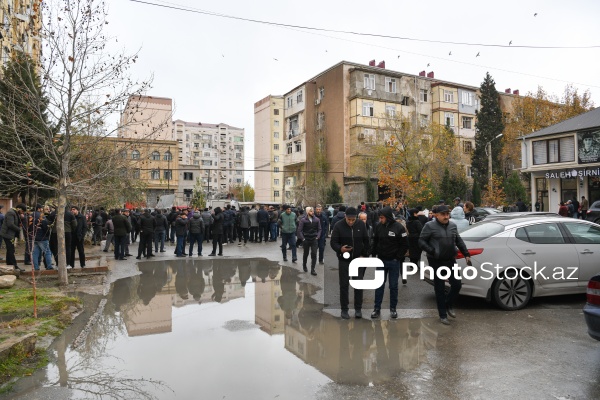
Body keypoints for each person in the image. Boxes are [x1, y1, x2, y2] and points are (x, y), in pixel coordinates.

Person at [418, 205, 471, 325]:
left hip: (450, 259)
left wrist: (466, 254)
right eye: (443, 214)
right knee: (440, 288)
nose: (446, 217)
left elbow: (458, 240)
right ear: (436, 215)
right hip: (436, 261)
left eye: (447, 214)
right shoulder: (429, 226)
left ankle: (448, 304)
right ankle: (442, 315)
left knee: (457, 284)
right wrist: (432, 250)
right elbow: (421, 241)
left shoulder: (452, 225)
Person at [330, 206, 370, 319]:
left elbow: (366, 241)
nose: (351, 222)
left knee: (358, 284)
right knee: (344, 285)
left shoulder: (361, 225)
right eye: (349, 220)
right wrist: (340, 249)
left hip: (358, 259)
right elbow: (333, 242)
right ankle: (344, 309)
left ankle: (358, 309)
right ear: (345, 217)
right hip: (344, 260)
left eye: (353, 220)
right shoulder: (338, 225)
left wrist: (364, 255)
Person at [370, 206, 409, 320]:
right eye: (379, 218)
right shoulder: (378, 226)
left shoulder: (399, 228)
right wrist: (373, 252)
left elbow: (405, 244)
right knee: (379, 286)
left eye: (382, 218)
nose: (380, 220)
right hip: (381, 261)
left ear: (387, 217)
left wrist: (398, 257)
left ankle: (393, 309)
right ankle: (376, 309)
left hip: (393, 262)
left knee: (393, 286)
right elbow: (375, 240)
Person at [0, 204, 26, 272]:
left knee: (10, 250)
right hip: (7, 234)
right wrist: (18, 229)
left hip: (10, 234)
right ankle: (14, 265)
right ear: (19, 209)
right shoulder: (11, 213)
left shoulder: (15, 213)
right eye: (22, 211)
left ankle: (9, 264)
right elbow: (10, 224)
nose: (22, 213)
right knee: (11, 250)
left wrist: (22, 218)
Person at [297, 206, 322, 275]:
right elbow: (299, 230)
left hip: (314, 239)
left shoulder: (317, 220)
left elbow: (319, 229)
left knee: (314, 254)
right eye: (311, 211)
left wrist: (318, 236)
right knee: (306, 254)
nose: (313, 212)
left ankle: (312, 269)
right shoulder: (303, 220)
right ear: (307, 212)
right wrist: (303, 239)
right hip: (306, 239)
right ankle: (304, 265)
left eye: (313, 211)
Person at [31, 204, 54, 271]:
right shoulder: (41, 216)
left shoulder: (31, 215)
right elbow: (45, 227)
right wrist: (47, 234)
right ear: (39, 209)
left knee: (35, 253)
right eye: (41, 208)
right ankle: (49, 266)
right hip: (42, 237)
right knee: (47, 252)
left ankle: (36, 267)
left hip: (34, 237)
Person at [406, 208, 423, 272]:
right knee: (417, 251)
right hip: (417, 237)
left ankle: (412, 263)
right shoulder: (417, 222)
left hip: (410, 237)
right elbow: (420, 230)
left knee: (412, 250)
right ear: (414, 214)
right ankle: (415, 263)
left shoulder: (408, 221)